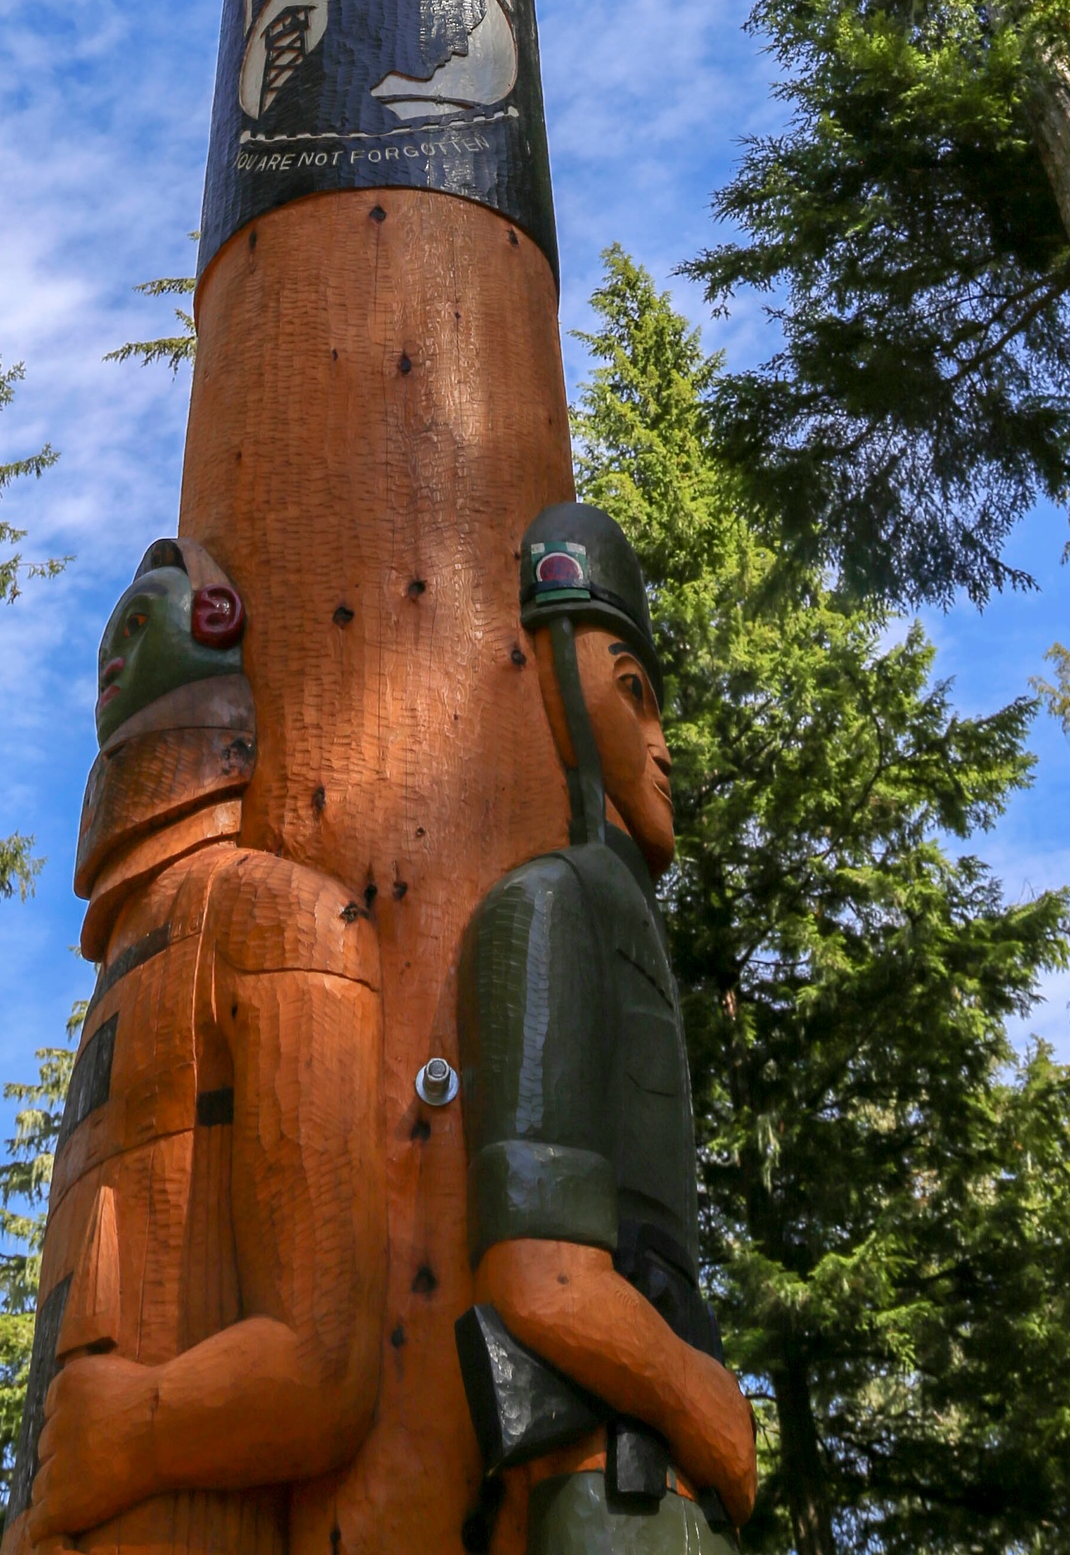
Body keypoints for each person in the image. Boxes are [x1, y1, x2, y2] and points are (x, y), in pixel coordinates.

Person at [4, 539, 386, 1555]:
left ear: (217, 625)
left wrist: (140, 1427)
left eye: (139, 630)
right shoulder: (128, 962)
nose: (112, 668)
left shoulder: (276, 918)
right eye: (106, 646)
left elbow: (326, 1359)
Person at [456, 507, 758, 1553]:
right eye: (635, 698)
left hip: (666, 1469)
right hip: (610, 1478)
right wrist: (693, 1395)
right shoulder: (547, 904)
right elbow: (537, 1271)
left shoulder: (614, 913)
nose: (665, 749)